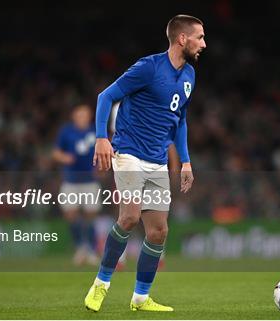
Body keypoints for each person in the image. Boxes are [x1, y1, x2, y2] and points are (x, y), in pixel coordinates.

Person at [84, 14, 206, 312]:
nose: (204, 44)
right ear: (182, 39)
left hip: (157, 161)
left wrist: (186, 162)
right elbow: (106, 96)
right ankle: (101, 284)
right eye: (199, 37)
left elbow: (181, 121)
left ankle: (140, 297)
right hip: (128, 153)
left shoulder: (189, 75)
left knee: (158, 231)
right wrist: (101, 137)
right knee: (129, 217)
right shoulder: (148, 67)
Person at [53, 104, 101, 265]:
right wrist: (64, 158)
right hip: (71, 180)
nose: (82, 117)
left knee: (90, 216)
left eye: (85, 114)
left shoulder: (95, 131)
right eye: (79, 114)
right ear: (74, 116)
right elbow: (56, 153)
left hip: (90, 181)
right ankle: (80, 246)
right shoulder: (66, 131)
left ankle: (91, 250)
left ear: (89, 116)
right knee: (70, 214)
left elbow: (105, 150)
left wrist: (100, 167)